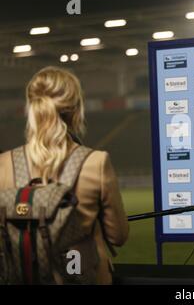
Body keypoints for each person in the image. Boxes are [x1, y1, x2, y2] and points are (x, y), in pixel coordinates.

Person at [0, 66, 129, 283]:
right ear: (76, 110)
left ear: (32, 108)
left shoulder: (4, 163)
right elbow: (118, 236)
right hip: (84, 277)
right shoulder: (96, 162)